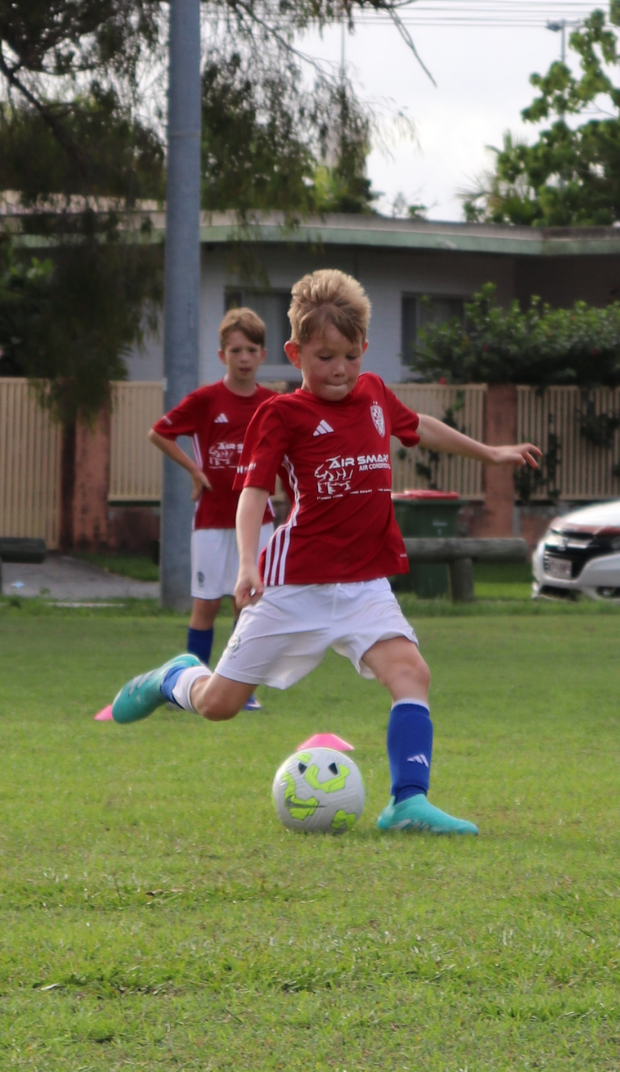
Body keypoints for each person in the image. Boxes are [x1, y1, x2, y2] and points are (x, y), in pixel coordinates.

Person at [112, 269, 542, 835]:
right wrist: (247, 564)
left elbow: (421, 428)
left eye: (348, 355)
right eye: (323, 358)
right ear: (294, 354)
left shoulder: (375, 395)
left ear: (363, 347)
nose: (338, 370)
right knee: (220, 703)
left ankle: (406, 804)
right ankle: (173, 677)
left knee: (411, 672)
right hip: (294, 585)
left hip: (364, 583)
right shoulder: (281, 414)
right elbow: (253, 494)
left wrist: (490, 453)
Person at [148, 306, 280, 707]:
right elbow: (159, 433)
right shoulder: (206, 399)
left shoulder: (274, 403)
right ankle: (193, 686)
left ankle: (243, 691)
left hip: (260, 521)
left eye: (252, 349)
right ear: (222, 356)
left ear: (263, 354)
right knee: (205, 604)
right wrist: (193, 469)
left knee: (251, 604)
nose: (244, 357)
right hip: (211, 519)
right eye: (236, 350)